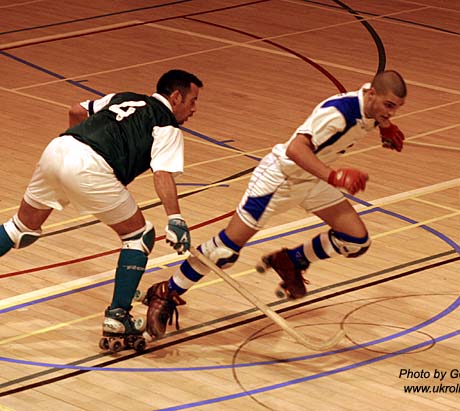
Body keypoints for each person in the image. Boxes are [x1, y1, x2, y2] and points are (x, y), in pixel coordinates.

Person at [142, 70, 407, 340]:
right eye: (388, 106)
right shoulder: (338, 113)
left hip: (310, 180)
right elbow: (296, 149)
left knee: (355, 240)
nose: (391, 112)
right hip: (280, 180)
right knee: (225, 250)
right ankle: (166, 292)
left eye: (396, 108)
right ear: (371, 94)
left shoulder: (371, 104)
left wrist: (385, 125)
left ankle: (291, 261)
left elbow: (376, 107)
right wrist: (334, 177)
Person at [0, 69, 203, 351]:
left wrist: (76, 149)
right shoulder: (166, 125)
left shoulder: (125, 97)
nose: (194, 109)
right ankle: (118, 317)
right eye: (192, 101)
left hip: (59, 148)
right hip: (90, 167)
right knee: (138, 236)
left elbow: (76, 110)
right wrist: (175, 218)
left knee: (21, 229)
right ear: (176, 96)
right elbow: (162, 174)